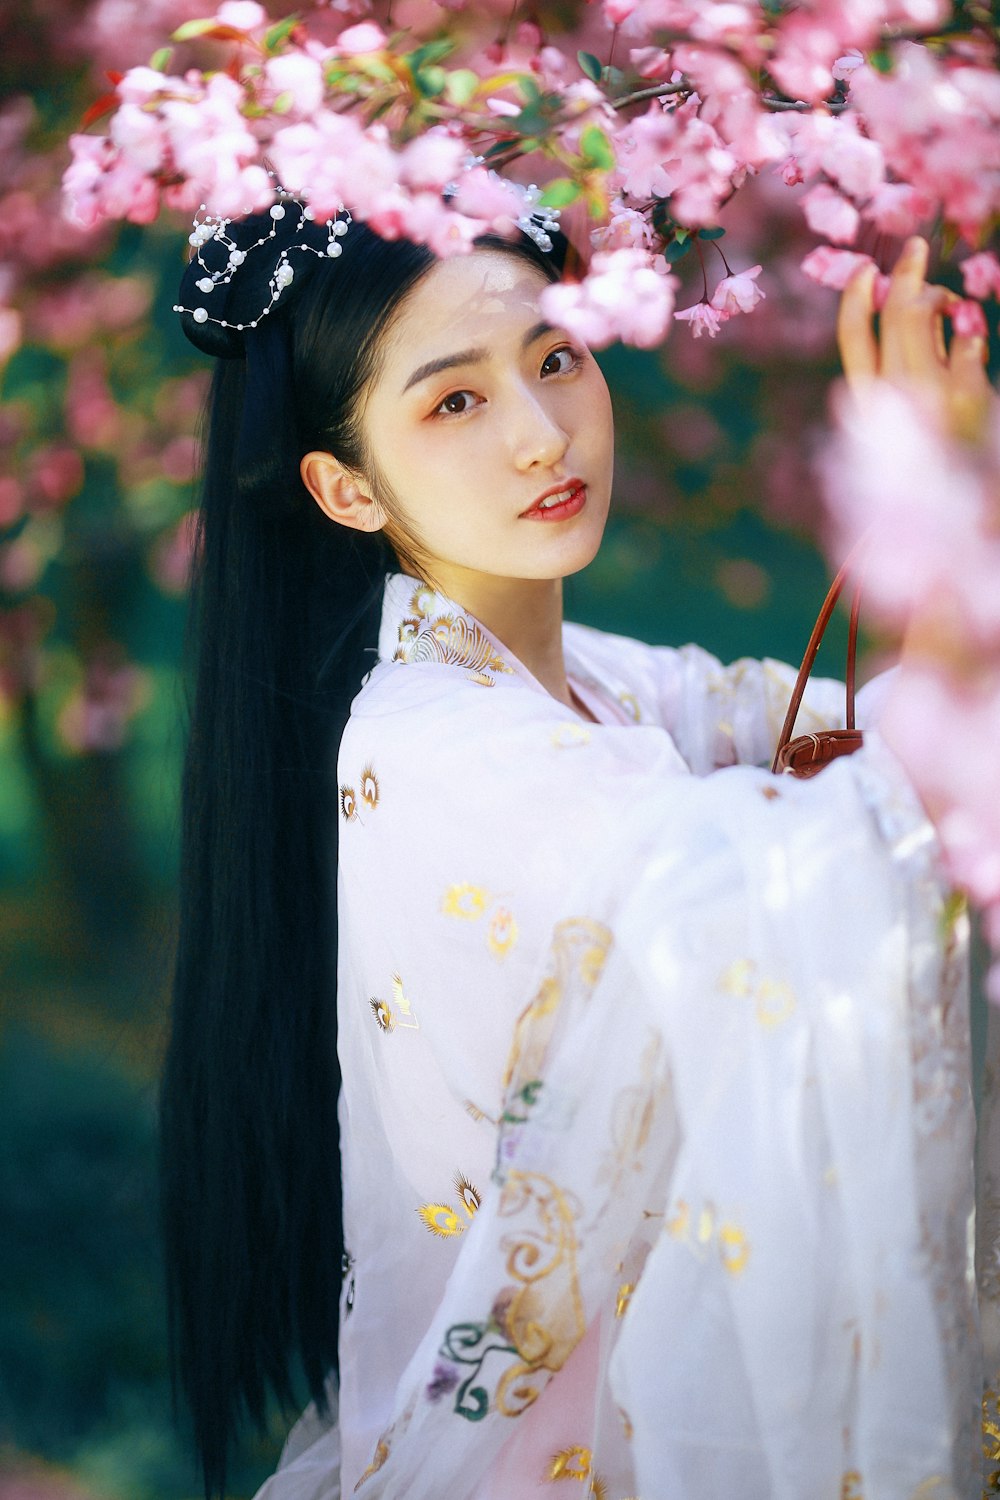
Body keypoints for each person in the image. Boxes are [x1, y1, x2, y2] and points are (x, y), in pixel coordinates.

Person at [160, 199, 996, 1500]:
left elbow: (865, 750)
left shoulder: (603, 683)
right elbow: (805, 874)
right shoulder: (436, 747)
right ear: (345, 484)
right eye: (454, 403)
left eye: (556, 357)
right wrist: (946, 544)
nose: (542, 432)